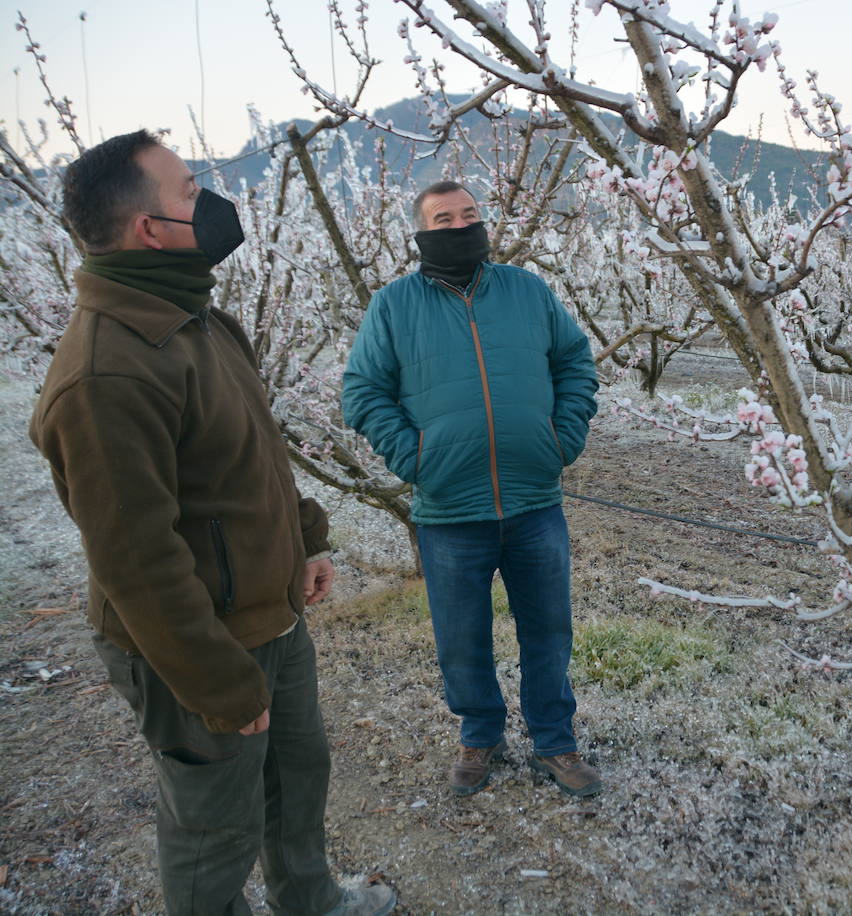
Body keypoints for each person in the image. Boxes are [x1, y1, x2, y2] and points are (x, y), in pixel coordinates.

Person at [29, 129, 396, 916]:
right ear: (148, 230)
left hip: (270, 613)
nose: (214, 203)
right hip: (195, 641)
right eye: (191, 191)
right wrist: (216, 681)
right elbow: (137, 561)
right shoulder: (107, 373)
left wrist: (304, 538)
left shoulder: (196, 318)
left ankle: (310, 899)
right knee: (213, 826)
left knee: (297, 775)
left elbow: (252, 451)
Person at [342, 180, 601, 798]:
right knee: (461, 635)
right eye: (443, 218)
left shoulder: (526, 290)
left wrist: (561, 438)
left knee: (548, 628)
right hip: (449, 508)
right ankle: (480, 732)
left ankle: (554, 739)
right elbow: (362, 391)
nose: (459, 228)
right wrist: (414, 456)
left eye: (469, 216)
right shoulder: (394, 305)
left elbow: (574, 361)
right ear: (421, 231)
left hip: (535, 499)